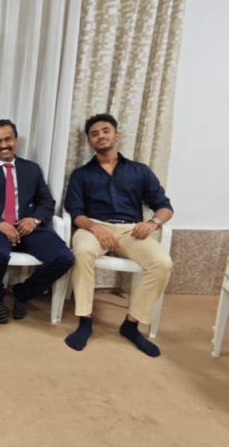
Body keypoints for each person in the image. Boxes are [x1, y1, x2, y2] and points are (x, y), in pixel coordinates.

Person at [64, 113, 174, 357]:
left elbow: (165, 207)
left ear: (117, 135)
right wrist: (95, 228)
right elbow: (75, 212)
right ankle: (84, 321)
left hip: (131, 230)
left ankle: (131, 325)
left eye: (106, 131)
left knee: (162, 263)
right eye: (94, 134)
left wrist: (153, 223)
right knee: (82, 251)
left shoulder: (140, 171)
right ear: (89, 142)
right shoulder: (81, 174)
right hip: (92, 227)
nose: (101, 136)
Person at [0, 119, 74, 323]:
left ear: (16, 140)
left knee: (64, 258)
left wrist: (34, 219)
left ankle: (23, 293)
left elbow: (47, 201)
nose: (4, 144)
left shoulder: (31, 169)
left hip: (29, 228)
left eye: (8, 139)